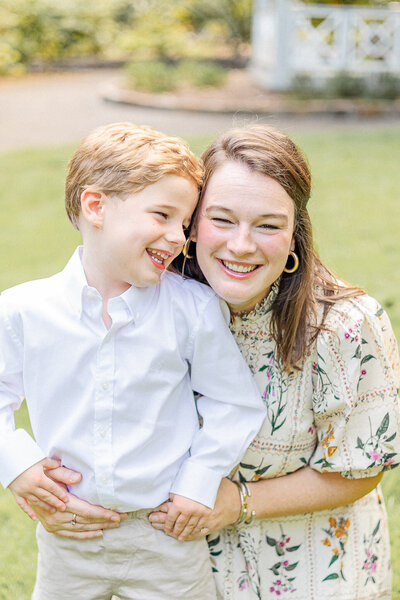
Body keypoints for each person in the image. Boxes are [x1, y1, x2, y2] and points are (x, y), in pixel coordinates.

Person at [30, 125, 399, 599]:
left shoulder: (345, 326)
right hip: (184, 566)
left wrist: (239, 503)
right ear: (191, 222)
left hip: (310, 570)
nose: (241, 245)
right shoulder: (157, 298)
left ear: (294, 234)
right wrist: (39, 482)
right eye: (221, 219)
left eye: (268, 225)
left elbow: (361, 469)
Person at [0, 122, 266, 600]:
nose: (177, 237)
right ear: (95, 206)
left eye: (184, 224)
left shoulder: (191, 309)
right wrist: (18, 466)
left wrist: (197, 484)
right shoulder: (24, 310)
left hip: (165, 533)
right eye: (162, 215)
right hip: (70, 533)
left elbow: (235, 404)